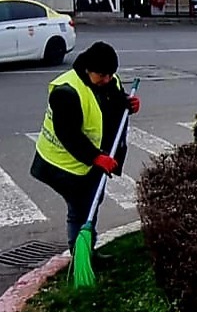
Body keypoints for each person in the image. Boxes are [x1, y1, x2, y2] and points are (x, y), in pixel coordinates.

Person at [30, 42, 141, 253]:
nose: (107, 79)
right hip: (63, 164)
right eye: (102, 75)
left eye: (110, 74)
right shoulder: (66, 92)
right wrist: (96, 157)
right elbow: (68, 134)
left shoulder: (109, 80)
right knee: (81, 210)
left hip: (91, 161)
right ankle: (79, 254)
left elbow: (113, 102)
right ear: (88, 69)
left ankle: (87, 249)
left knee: (90, 204)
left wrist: (127, 103)